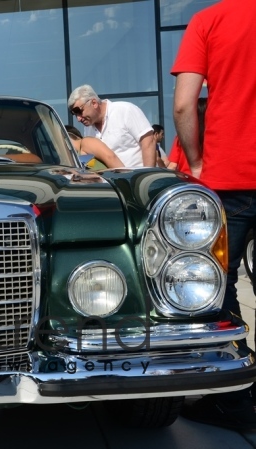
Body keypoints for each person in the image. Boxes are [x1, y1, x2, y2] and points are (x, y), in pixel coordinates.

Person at [171, 0, 256, 430]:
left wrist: (197, 162)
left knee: (216, 287)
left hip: (232, 179)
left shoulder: (210, 20)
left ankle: (236, 401)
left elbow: (185, 104)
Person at [67, 84, 157, 168]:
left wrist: (146, 178)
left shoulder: (125, 110)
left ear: (94, 103)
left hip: (138, 180)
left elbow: (148, 142)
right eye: (75, 114)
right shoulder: (88, 129)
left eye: (79, 111)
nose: (78, 119)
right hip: (113, 183)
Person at [167, 98, 207, 175]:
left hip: (187, 179)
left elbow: (172, 165)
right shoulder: (212, 137)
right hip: (208, 179)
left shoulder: (181, 137)